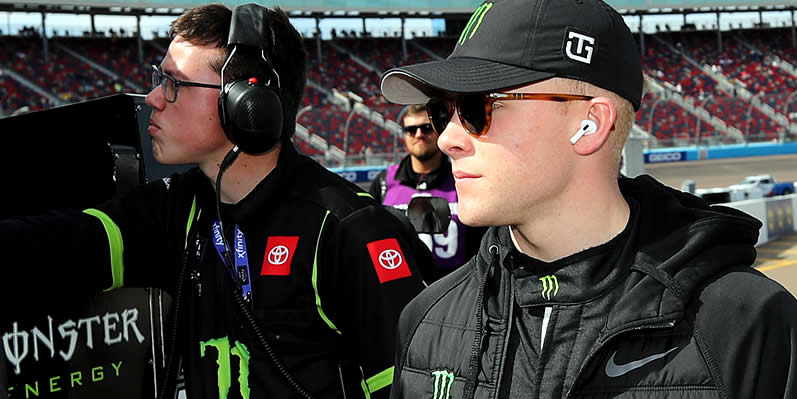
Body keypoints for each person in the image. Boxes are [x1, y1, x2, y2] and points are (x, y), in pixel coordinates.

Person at [0, 4, 432, 399]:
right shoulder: (179, 209)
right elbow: (63, 244)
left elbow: (409, 387)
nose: (152, 99)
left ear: (247, 105)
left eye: (173, 84)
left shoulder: (348, 230)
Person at [379, 0, 797, 398]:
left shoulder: (748, 326)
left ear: (590, 124)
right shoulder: (425, 321)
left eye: (477, 108)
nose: (447, 139)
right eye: (441, 113)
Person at [369, 104, 484, 282]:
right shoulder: (384, 183)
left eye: (426, 128)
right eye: (411, 130)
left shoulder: (463, 178)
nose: (419, 135)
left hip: (454, 292)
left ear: (440, 130)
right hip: (403, 293)